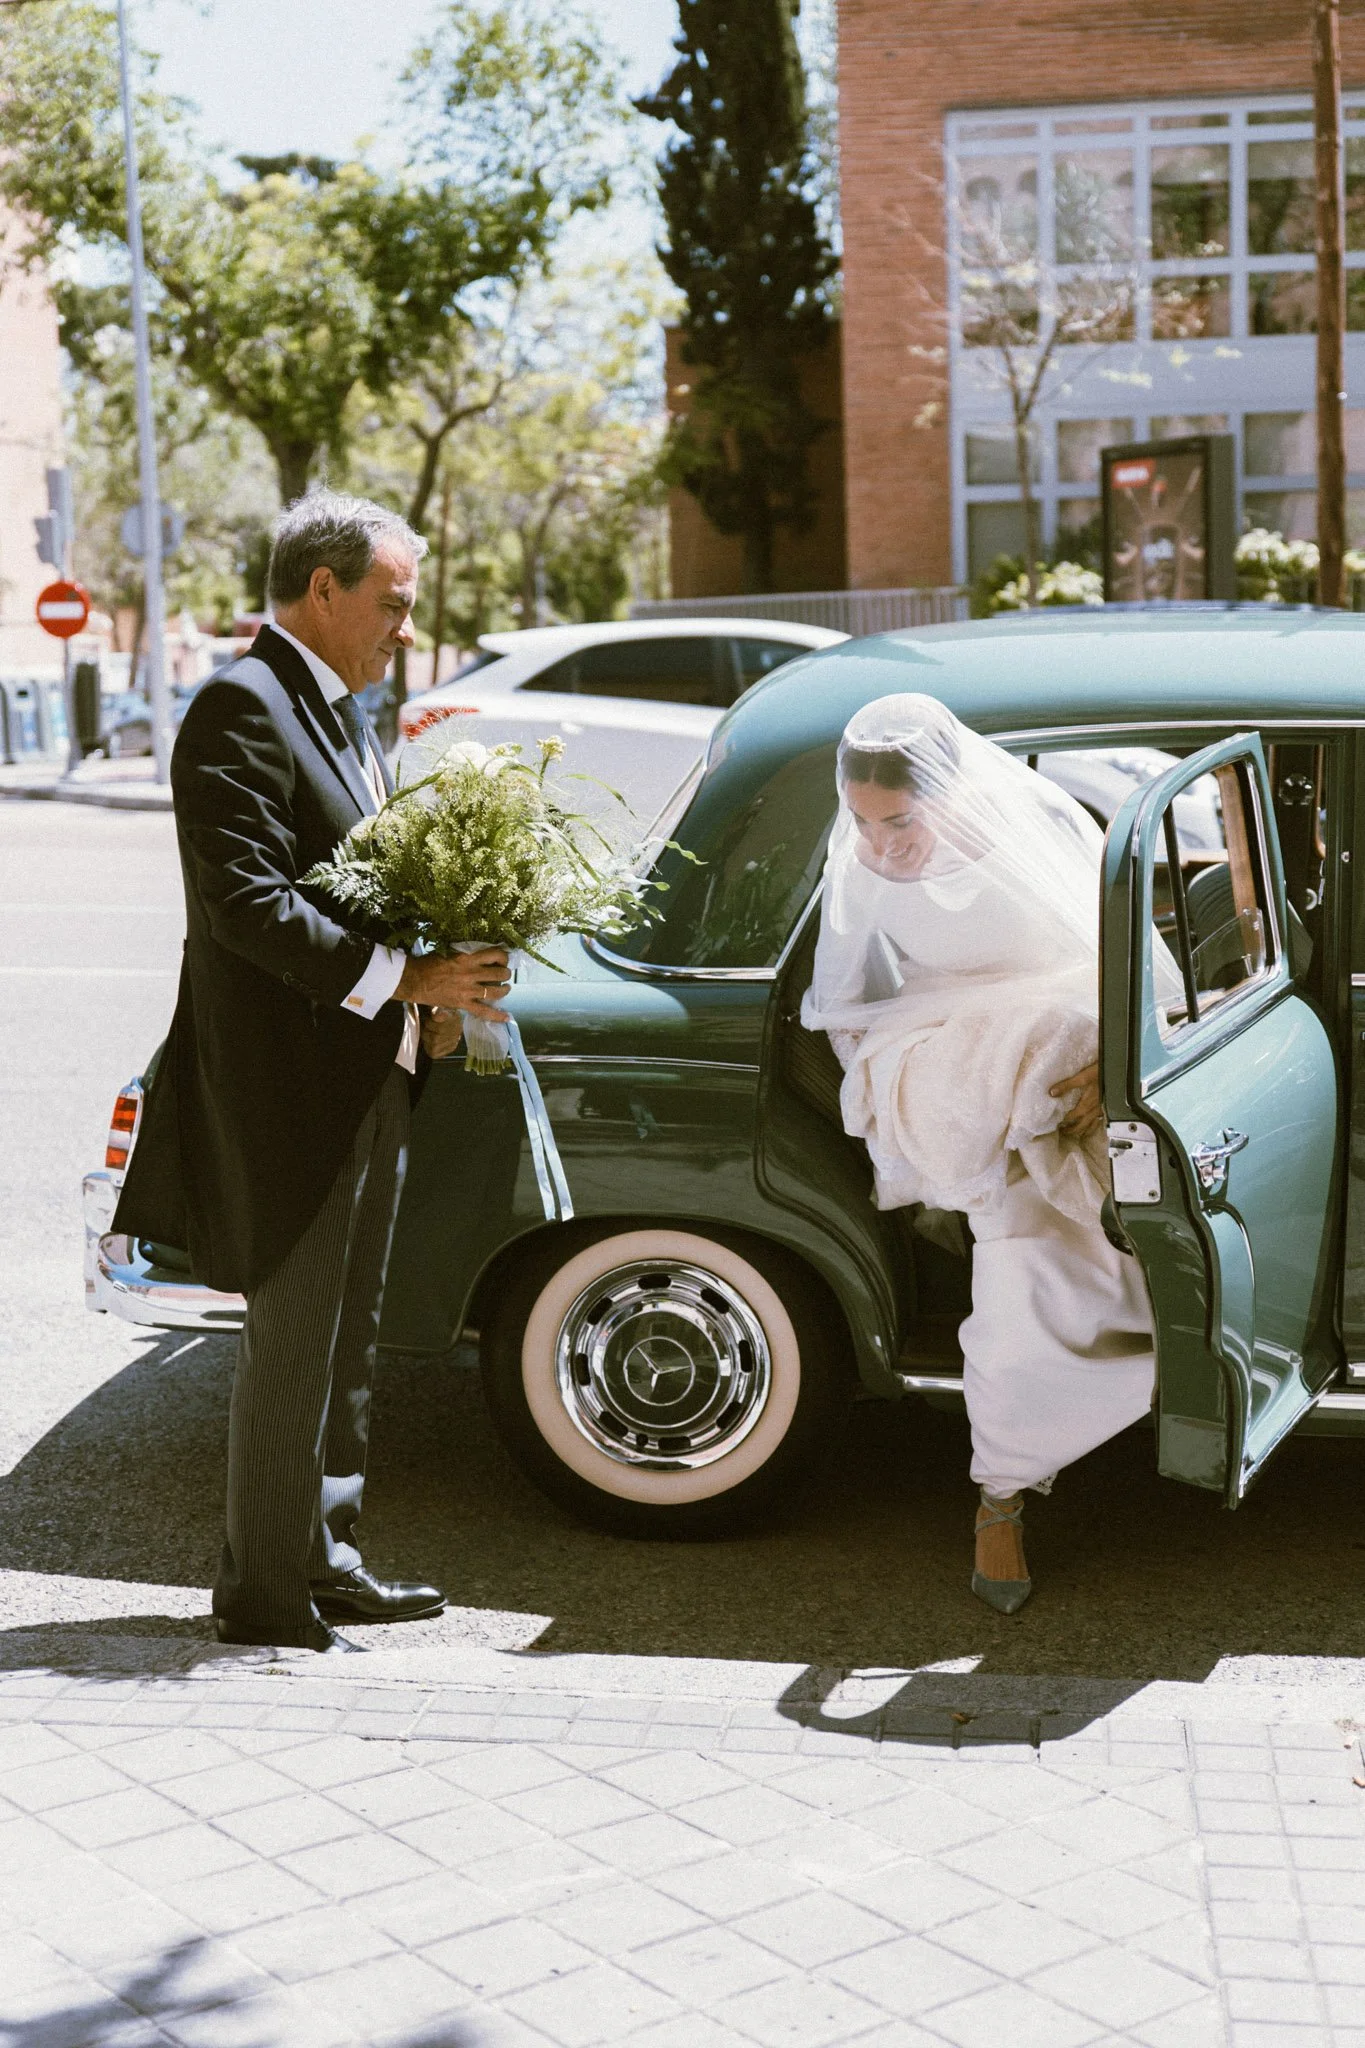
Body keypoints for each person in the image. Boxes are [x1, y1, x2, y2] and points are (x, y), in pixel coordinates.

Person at [114, 492, 511, 1654]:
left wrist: (430, 997)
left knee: (350, 1338)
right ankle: (263, 1596)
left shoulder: (341, 711)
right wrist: (405, 979)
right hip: (287, 1090)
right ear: (323, 588)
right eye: (390, 603)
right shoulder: (241, 708)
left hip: (369, 1071)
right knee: (294, 1343)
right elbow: (245, 907)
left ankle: (327, 1557)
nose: (403, 625)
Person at [802, 693, 1163, 1613]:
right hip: (963, 1078)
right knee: (1016, 1269)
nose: (880, 846)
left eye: (899, 821)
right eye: (861, 822)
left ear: (950, 795)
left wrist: (1107, 1068)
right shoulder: (863, 866)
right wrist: (923, 1103)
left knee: (1122, 1255)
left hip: (1068, 1060)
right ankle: (998, 1495)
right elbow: (845, 1009)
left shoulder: (1036, 827)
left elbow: (1125, 963)